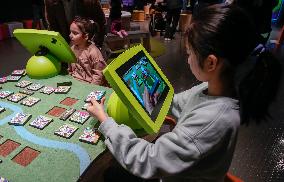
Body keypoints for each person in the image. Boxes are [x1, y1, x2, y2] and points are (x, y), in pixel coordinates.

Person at [87, 4, 281, 181]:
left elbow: (148, 160)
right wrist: (150, 89)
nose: (187, 60)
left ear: (211, 62)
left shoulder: (214, 118)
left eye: (190, 54)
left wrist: (106, 122)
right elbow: (173, 101)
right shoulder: (213, 88)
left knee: (111, 175)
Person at [68, 16, 108, 86]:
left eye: (75, 33)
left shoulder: (93, 52)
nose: (70, 35)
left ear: (86, 36)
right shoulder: (72, 48)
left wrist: (91, 89)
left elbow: (99, 75)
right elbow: (71, 69)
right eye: (70, 32)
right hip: (75, 83)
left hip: (90, 86)